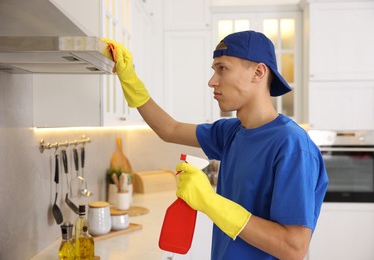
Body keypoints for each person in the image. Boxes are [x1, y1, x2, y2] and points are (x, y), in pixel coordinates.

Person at [102, 30, 328, 260]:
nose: (212, 81)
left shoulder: (292, 145)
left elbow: (293, 247)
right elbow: (169, 129)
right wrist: (128, 78)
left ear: (258, 72)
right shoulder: (231, 131)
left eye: (222, 68)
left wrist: (210, 202)